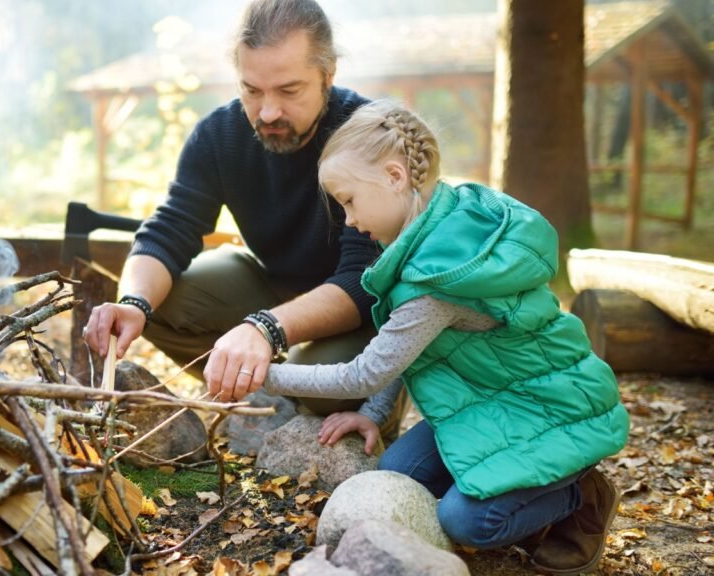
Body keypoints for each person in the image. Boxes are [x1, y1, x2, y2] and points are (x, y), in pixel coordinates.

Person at [240, 99, 630, 574]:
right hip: (488, 399)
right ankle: (531, 488)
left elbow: (365, 371)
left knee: (470, 523)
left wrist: (264, 375)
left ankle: (581, 494)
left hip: (548, 407)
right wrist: (375, 414)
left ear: (394, 176)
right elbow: (408, 348)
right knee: (396, 478)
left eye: (348, 200)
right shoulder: (434, 232)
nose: (349, 219)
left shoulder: (439, 278)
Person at [84, 0, 407, 445]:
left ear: (328, 74)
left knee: (323, 388)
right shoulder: (218, 136)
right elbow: (169, 229)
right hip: (271, 284)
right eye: (251, 90)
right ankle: (255, 386)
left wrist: (264, 328)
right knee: (155, 306)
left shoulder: (368, 134)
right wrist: (133, 303)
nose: (267, 111)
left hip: (361, 314)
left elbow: (362, 280)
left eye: (289, 91)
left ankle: (327, 394)